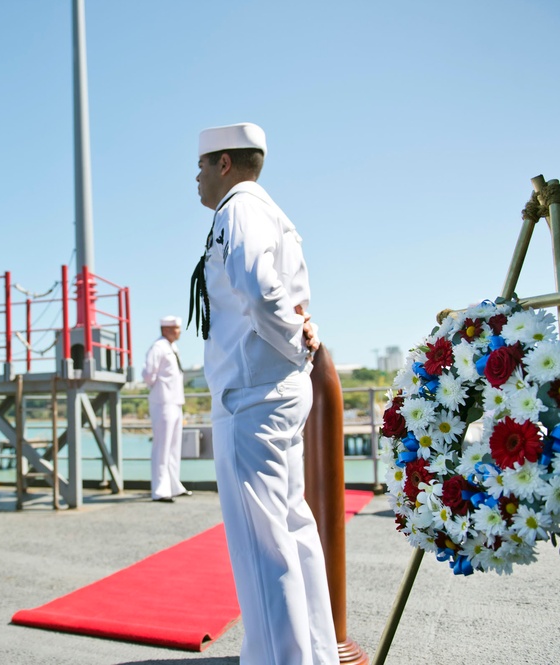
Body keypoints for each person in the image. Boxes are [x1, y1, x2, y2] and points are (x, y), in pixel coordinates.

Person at [188, 123, 336, 665]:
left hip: (252, 393)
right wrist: (300, 337)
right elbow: (280, 292)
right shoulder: (270, 211)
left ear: (224, 163)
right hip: (274, 389)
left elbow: (255, 286)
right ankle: (314, 655)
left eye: (202, 166)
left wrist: (296, 341)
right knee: (293, 532)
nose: (197, 178)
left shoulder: (238, 208)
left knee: (261, 547)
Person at [141, 315, 190, 502]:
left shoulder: (172, 347)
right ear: (166, 330)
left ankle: (173, 485)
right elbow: (148, 374)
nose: (179, 331)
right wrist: (158, 388)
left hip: (176, 401)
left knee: (173, 447)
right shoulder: (158, 348)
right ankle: (160, 490)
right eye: (176, 328)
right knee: (162, 447)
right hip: (163, 402)